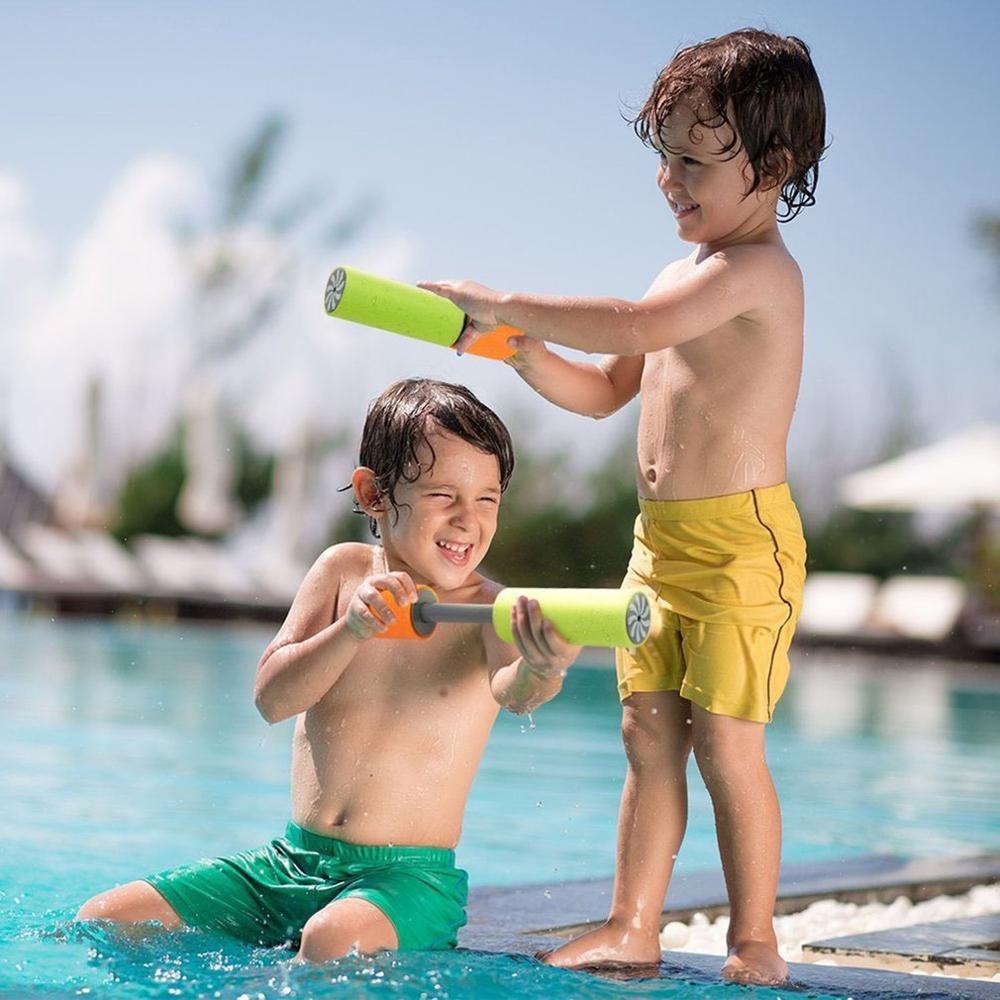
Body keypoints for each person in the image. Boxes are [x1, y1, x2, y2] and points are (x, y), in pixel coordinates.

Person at [419, 28, 826, 985]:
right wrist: (522, 352)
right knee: (647, 736)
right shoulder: (676, 276)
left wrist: (508, 301)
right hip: (661, 545)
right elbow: (608, 389)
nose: (668, 178)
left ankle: (754, 940)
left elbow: (638, 330)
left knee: (727, 744)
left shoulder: (762, 274)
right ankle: (632, 924)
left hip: (742, 547)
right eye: (664, 155)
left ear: (773, 168)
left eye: (692, 158)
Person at [76, 378, 580, 961]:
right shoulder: (342, 573)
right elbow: (271, 698)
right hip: (289, 865)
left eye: (487, 499)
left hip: (408, 881)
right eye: (445, 496)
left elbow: (514, 691)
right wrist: (351, 631)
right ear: (372, 494)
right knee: (105, 919)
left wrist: (544, 668)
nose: (469, 520)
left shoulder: (486, 608)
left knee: (329, 939)